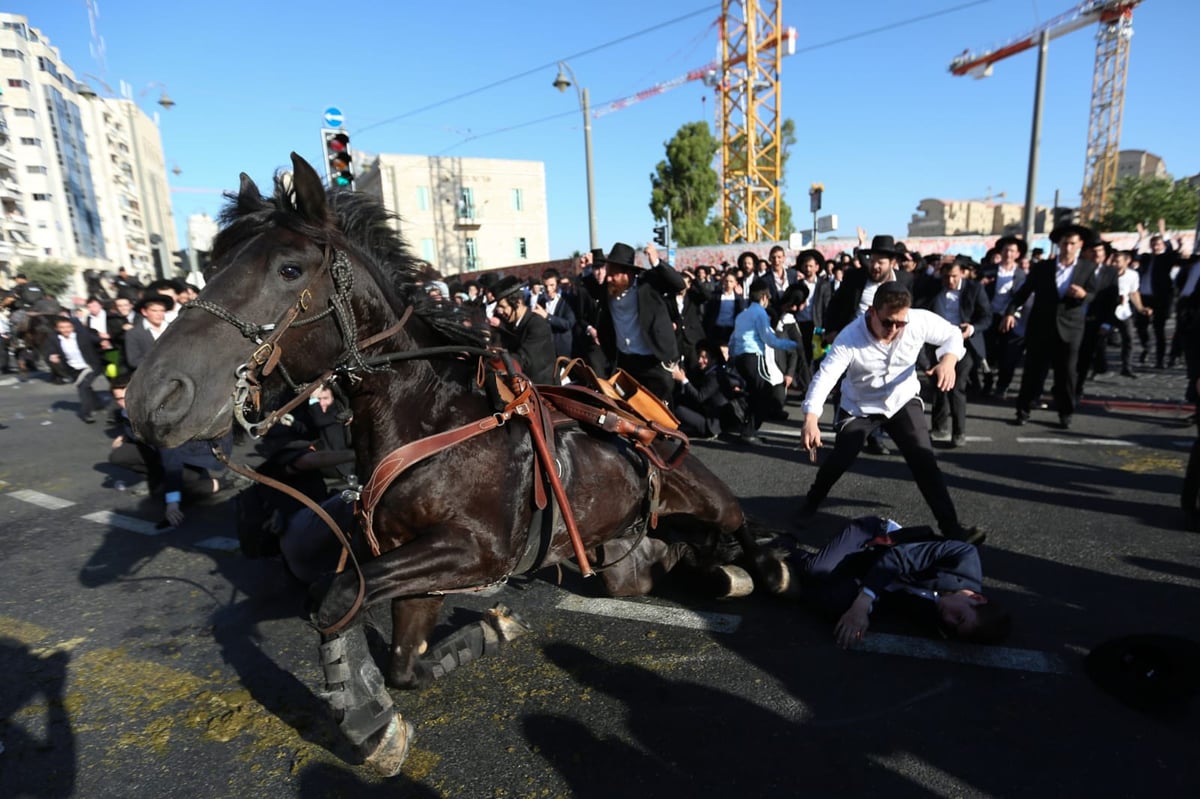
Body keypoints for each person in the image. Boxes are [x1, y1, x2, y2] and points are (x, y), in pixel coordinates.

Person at [799, 286, 983, 544]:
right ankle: (811, 502)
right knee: (840, 459)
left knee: (924, 461)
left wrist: (948, 361)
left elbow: (953, 335)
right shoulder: (850, 337)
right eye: (888, 322)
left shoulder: (918, 320)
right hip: (859, 406)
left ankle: (952, 528)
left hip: (901, 399)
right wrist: (810, 418)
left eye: (900, 323)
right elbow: (826, 376)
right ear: (872, 312)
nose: (894, 329)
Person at [782, 515, 1011, 648]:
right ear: (977, 598)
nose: (948, 619)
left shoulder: (943, 620)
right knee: (817, 570)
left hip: (873, 573)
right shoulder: (963, 555)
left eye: (954, 627)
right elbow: (896, 559)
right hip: (872, 539)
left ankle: (776, 574)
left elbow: (895, 604)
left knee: (833, 607)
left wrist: (859, 614)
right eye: (959, 617)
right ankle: (778, 545)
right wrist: (862, 605)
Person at [823, 233, 916, 456]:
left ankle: (875, 437)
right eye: (872, 260)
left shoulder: (905, 281)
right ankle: (844, 431)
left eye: (880, 262)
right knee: (845, 387)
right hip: (853, 342)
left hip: (888, 344)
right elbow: (835, 305)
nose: (874, 266)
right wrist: (831, 331)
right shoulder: (855, 277)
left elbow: (915, 314)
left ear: (892, 262)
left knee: (880, 389)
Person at [1001, 223, 1099, 429]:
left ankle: (1065, 413)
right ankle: (1023, 410)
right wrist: (1010, 311)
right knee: (1033, 372)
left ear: (1080, 245)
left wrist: (1083, 295)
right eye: (1064, 243)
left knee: (1067, 374)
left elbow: (1094, 294)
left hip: (1071, 329)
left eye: (1072, 244)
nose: (1068, 248)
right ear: (1058, 245)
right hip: (1041, 328)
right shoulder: (1043, 267)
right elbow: (1024, 292)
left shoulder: (1087, 268)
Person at [589, 241, 685, 404]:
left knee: (658, 416)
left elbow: (678, 284)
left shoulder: (648, 284)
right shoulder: (608, 290)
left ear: (628, 274)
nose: (609, 278)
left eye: (614, 274)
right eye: (608, 273)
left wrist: (656, 262)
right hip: (627, 362)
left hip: (654, 363)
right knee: (629, 413)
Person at [917, 257, 992, 446]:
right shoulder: (933, 288)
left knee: (957, 386)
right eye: (946, 276)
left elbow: (986, 317)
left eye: (954, 276)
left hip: (964, 344)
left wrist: (972, 328)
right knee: (938, 386)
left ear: (963, 274)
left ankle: (959, 432)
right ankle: (939, 428)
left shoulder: (974, 289)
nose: (950, 281)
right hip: (936, 344)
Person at [728, 281, 801, 443]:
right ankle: (749, 432)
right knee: (765, 392)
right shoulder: (760, 314)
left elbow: (733, 339)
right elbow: (769, 339)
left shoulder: (742, 314)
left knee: (755, 393)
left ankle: (747, 428)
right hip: (754, 357)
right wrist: (793, 344)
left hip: (740, 358)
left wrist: (731, 358)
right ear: (763, 297)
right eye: (767, 297)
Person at [981, 235, 1028, 397]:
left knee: (1008, 354)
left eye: (1012, 251)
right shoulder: (988, 271)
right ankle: (987, 381)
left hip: (1010, 317)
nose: (1008, 253)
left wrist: (1011, 314)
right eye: (1006, 250)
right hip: (989, 316)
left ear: (1017, 254)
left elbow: (1023, 298)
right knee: (985, 353)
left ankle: (1003, 385)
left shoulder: (1021, 275)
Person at [487, 276, 556, 384]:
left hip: (544, 390)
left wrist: (496, 360)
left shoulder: (537, 325)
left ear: (518, 303)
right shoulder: (511, 325)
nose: (500, 311)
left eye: (503, 307)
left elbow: (524, 359)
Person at [1133, 219, 1181, 369]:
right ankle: (1147, 347)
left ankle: (1160, 359)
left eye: (1158, 244)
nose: (1155, 246)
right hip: (1144, 297)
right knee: (1140, 326)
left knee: (1159, 329)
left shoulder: (1166, 258)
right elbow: (1133, 256)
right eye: (1153, 244)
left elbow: (1174, 254)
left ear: (1162, 245)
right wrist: (1141, 238)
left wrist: (1163, 233)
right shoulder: (1147, 258)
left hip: (1160, 298)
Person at [47, 314, 106, 423]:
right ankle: (97, 403)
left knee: (83, 387)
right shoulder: (54, 338)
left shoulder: (82, 335)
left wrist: (103, 341)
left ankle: (86, 413)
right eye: (62, 327)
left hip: (90, 366)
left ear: (72, 327)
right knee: (86, 387)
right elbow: (50, 350)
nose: (66, 330)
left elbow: (95, 339)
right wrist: (53, 355)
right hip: (73, 369)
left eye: (68, 327)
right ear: (57, 329)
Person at [532, 267, 577, 359]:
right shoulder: (541, 300)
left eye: (552, 285)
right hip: (546, 350)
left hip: (563, 350)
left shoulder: (567, 300)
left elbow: (568, 323)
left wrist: (547, 316)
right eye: (545, 286)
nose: (548, 289)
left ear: (558, 284)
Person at [122, 294, 174, 372]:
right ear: (144, 312)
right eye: (154, 310)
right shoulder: (133, 333)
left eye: (162, 310)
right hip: (151, 375)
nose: (159, 314)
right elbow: (133, 361)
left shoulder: (173, 328)